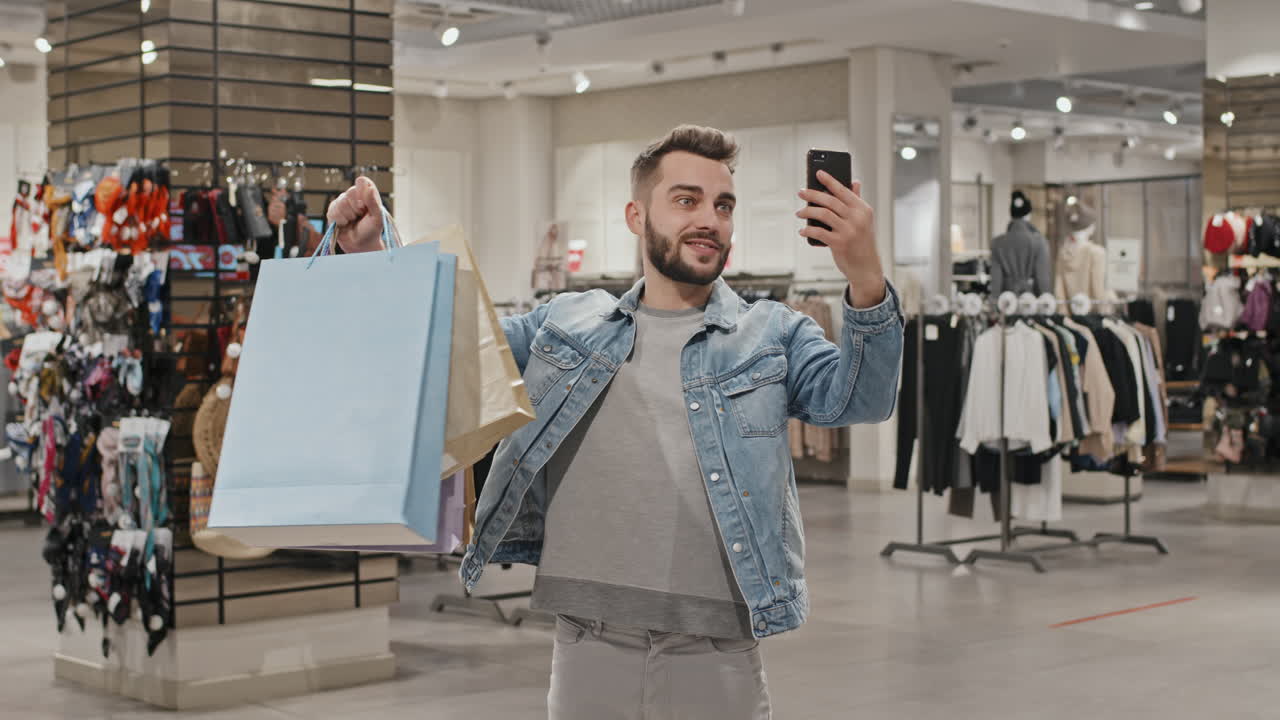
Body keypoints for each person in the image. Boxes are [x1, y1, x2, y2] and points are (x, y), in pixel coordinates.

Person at [328, 124, 904, 720]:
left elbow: (860, 400)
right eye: (686, 200)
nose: (709, 219)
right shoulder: (566, 323)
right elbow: (452, 353)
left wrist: (864, 278)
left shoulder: (772, 333)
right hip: (587, 646)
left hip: (716, 653)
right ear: (636, 215)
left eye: (723, 205)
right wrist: (374, 256)